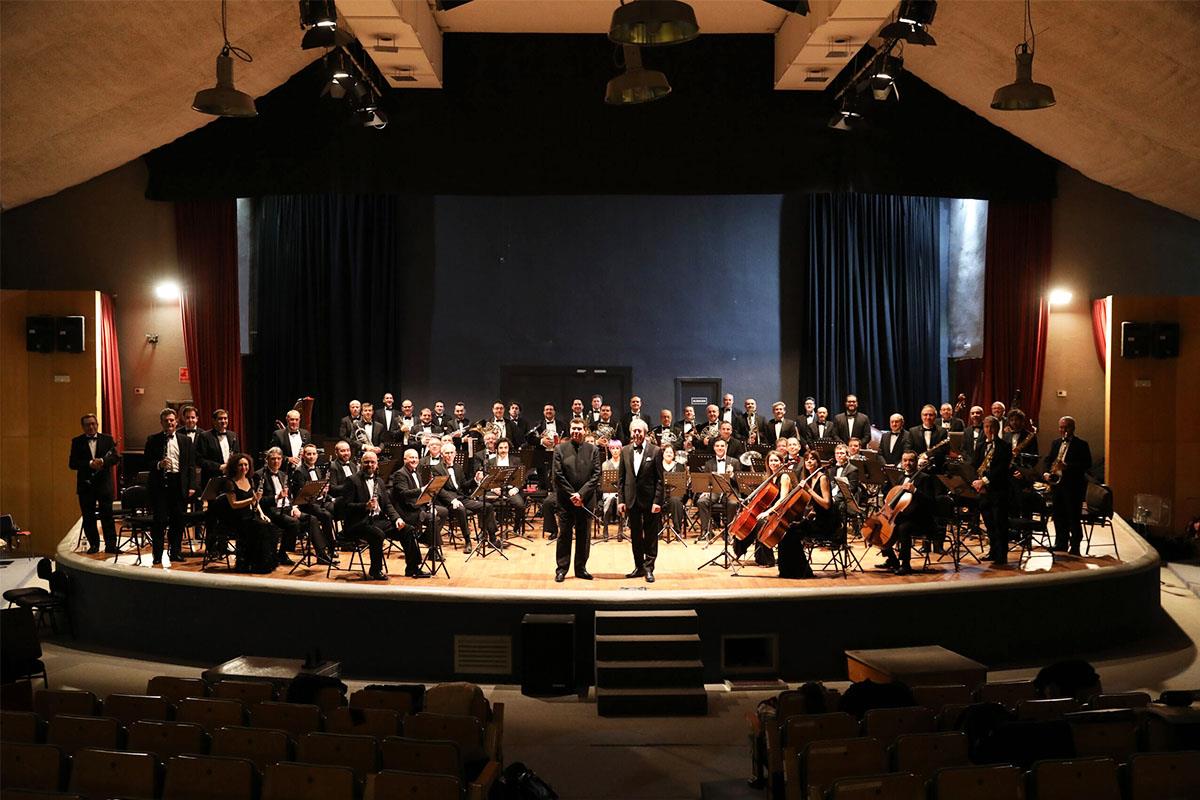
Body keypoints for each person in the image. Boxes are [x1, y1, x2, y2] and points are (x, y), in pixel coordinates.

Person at [336, 451, 427, 580]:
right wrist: (365, 506)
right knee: (377, 534)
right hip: (358, 523)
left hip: (376, 520)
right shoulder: (352, 480)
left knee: (408, 529)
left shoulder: (379, 481)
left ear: (377, 464)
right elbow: (345, 507)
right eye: (366, 462)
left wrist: (397, 518)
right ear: (361, 463)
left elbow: (388, 504)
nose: (370, 465)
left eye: (372, 462)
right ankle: (375, 570)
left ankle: (413, 568)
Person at [145, 408, 199, 565]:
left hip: (179, 484)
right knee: (160, 522)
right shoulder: (153, 439)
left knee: (178, 521)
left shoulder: (185, 440)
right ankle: (157, 555)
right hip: (161, 485)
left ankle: (175, 552)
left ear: (176, 422)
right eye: (166, 420)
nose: (169, 423)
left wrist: (192, 486)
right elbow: (146, 462)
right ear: (161, 423)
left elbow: (190, 465)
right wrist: (158, 464)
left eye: (171, 420)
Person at [552, 418, 601, 582]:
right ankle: (561, 569)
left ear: (585, 430)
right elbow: (558, 475)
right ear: (569, 429)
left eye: (579, 428)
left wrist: (581, 494)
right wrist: (572, 495)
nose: (576, 431)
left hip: (586, 500)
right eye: (573, 428)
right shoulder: (560, 449)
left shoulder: (593, 449)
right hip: (566, 500)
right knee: (564, 535)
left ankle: (581, 569)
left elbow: (596, 476)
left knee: (584, 535)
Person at [876, 450, 936, 576]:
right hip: (902, 516)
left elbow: (931, 502)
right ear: (902, 462)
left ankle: (905, 564)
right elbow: (894, 499)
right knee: (879, 526)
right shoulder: (901, 477)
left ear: (916, 462)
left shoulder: (925, 478)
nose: (908, 463)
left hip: (920, 519)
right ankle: (892, 559)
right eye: (905, 460)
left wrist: (915, 490)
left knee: (902, 528)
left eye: (911, 460)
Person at [617, 421, 664, 582]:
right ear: (631, 433)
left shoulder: (656, 451)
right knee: (636, 535)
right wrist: (621, 500)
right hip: (632, 500)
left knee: (651, 536)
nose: (636, 433)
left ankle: (649, 568)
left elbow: (660, 480)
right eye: (634, 431)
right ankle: (639, 567)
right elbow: (621, 479)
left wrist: (658, 501)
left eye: (639, 431)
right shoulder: (625, 450)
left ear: (645, 432)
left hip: (650, 500)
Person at [217, 452, 278, 573]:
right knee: (260, 528)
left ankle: (263, 563)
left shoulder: (250, 480)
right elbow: (234, 505)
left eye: (246, 465)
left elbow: (255, 502)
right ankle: (252, 564)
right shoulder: (229, 483)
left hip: (249, 516)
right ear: (235, 466)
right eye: (240, 465)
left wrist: (262, 514)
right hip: (236, 518)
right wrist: (252, 500)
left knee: (270, 527)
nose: (244, 467)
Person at [258, 447, 319, 567]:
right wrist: (276, 497)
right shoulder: (259, 475)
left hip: (286, 508)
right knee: (294, 523)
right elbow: (259, 501)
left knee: (311, 519)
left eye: (279, 459)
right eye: (273, 459)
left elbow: (290, 496)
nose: (276, 461)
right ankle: (282, 553)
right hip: (271, 510)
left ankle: (321, 553)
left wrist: (294, 507)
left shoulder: (282, 474)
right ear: (267, 460)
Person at [70, 413, 120, 554]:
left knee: (107, 516)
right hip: (86, 485)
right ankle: (94, 545)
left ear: (97, 424)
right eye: (87, 424)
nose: (91, 427)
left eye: (93, 424)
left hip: (104, 484)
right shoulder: (77, 441)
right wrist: (90, 463)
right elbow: (72, 463)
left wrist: (103, 462)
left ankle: (111, 546)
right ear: (83, 427)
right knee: (88, 517)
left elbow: (116, 458)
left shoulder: (107, 439)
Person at [1043, 416, 1093, 555]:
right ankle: (1061, 543)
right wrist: (1046, 473)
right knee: (1058, 515)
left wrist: (1067, 466)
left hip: (1073, 486)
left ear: (1073, 428)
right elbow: (1048, 460)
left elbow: (1087, 464)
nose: (1063, 430)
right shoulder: (1055, 443)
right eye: (1061, 427)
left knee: (1073, 516)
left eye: (1066, 427)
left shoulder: (1082, 444)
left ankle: (1075, 545)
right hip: (1057, 484)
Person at [972, 415, 1013, 565]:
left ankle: (1002, 555)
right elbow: (974, 465)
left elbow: (1001, 469)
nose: (990, 430)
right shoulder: (981, 445)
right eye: (987, 427)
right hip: (983, 492)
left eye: (993, 427)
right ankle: (993, 552)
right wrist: (976, 482)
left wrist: (984, 480)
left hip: (998, 491)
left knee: (999, 523)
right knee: (989, 524)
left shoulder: (1005, 446)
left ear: (998, 428)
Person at [775, 449, 821, 579]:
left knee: (790, 533)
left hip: (822, 521)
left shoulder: (822, 478)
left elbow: (827, 504)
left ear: (818, 462)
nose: (809, 462)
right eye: (806, 460)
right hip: (811, 518)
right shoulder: (809, 478)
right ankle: (787, 571)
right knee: (786, 531)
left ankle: (801, 572)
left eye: (812, 459)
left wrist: (809, 490)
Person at [291, 443, 336, 564]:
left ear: (317, 455)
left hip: (317, 502)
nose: (311, 456)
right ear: (303, 456)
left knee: (332, 510)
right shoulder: (299, 472)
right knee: (326, 515)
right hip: (305, 505)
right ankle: (329, 548)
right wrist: (318, 491)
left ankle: (330, 548)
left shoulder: (317, 469)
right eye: (308, 454)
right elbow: (303, 494)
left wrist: (324, 490)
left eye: (313, 454)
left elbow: (318, 490)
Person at [696, 438, 738, 540]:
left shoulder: (734, 462)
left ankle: (729, 532)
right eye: (717, 446)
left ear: (726, 447)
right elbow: (706, 481)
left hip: (729, 491)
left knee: (732, 503)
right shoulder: (709, 463)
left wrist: (732, 475)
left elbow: (739, 482)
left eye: (722, 446)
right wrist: (705, 491)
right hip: (714, 491)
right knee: (701, 501)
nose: (720, 448)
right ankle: (706, 531)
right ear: (714, 448)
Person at [658, 444, 688, 537]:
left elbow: (683, 484)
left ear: (674, 454)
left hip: (675, 494)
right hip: (660, 494)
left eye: (671, 452)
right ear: (663, 453)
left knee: (676, 501)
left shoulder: (679, 466)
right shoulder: (657, 465)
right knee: (654, 500)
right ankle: (658, 530)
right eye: (666, 452)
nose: (669, 454)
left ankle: (677, 530)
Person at [600, 440, 623, 524]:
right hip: (609, 491)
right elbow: (605, 482)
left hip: (620, 492)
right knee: (609, 499)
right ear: (610, 450)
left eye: (617, 448)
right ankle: (605, 526)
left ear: (620, 449)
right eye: (613, 448)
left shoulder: (623, 463)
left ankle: (620, 528)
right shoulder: (605, 464)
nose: (615, 450)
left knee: (620, 500)